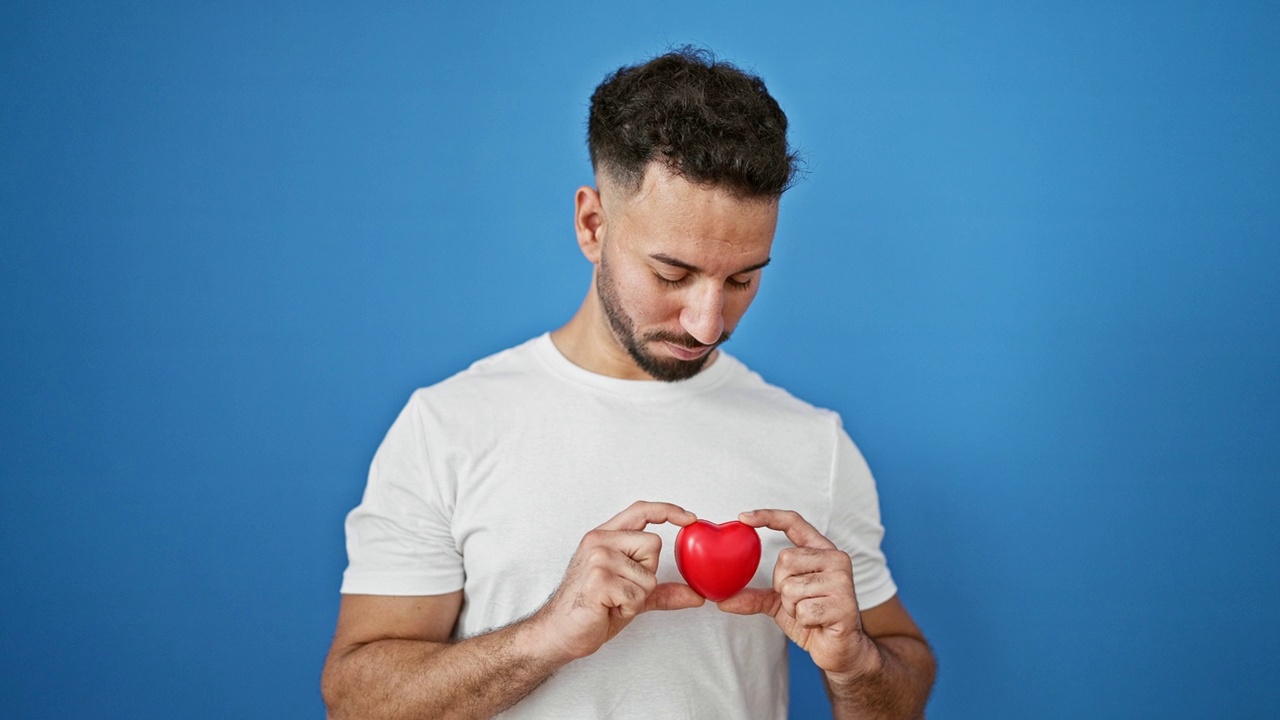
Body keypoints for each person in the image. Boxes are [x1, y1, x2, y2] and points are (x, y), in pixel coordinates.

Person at [321, 47, 936, 719]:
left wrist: (856, 663)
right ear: (593, 224)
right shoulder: (449, 426)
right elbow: (356, 703)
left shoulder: (811, 443)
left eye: (742, 278)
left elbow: (902, 687)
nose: (707, 323)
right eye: (672, 275)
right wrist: (546, 637)